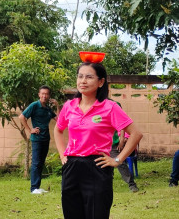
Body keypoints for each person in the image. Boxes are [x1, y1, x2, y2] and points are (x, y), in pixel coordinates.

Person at [54, 61, 143, 219]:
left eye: (89, 77)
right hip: (72, 166)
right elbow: (58, 129)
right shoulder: (69, 106)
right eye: (80, 76)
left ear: (101, 82)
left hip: (97, 166)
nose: (83, 81)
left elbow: (136, 134)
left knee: (97, 213)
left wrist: (117, 159)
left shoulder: (110, 107)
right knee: (72, 213)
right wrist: (62, 154)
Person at [19, 85, 59, 194]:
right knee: (36, 163)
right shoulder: (34, 105)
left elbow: (59, 120)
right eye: (43, 93)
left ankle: (37, 187)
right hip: (36, 139)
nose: (44, 96)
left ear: (49, 95)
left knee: (41, 163)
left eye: (46, 94)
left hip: (46, 139)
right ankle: (33, 189)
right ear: (39, 94)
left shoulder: (47, 109)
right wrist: (29, 130)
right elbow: (22, 117)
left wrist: (57, 106)